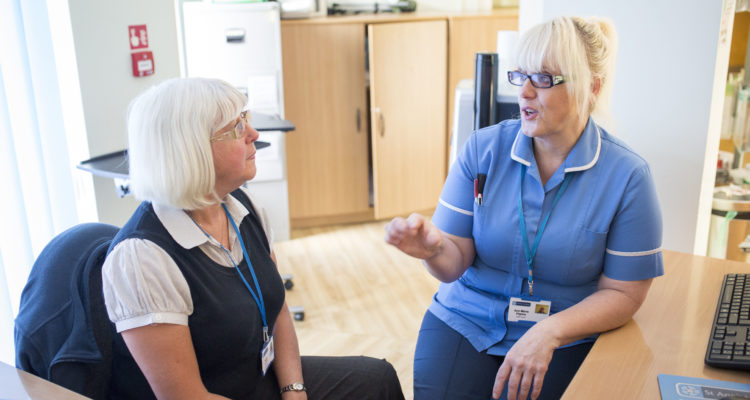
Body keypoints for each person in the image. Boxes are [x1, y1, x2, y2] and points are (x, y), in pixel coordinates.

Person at [385, 16, 663, 400]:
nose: (525, 92)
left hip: (566, 332)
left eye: (545, 78)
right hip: (467, 318)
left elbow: (624, 294)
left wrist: (549, 332)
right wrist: (433, 249)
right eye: (521, 76)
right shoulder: (482, 150)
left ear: (592, 88)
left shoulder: (628, 177)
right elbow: (453, 264)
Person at [102, 77, 405, 400]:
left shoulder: (243, 207)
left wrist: (294, 390)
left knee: (378, 380)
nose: (254, 134)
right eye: (236, 128)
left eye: (246, 120)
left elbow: (278, 310)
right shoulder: (142, 259)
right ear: (191, 150)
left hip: (254, 379)